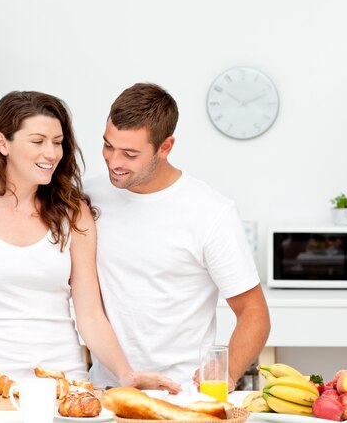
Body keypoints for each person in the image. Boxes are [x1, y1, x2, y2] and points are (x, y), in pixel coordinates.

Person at [0, 90, 180, 391]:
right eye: (37, 141)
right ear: (2, 143)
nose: (51, 153)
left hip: (63, 382)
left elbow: (90, 316)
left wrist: (127, 376)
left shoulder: (74, 214)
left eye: (58, 143)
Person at [84, 83, 271, 390]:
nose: (114, 162)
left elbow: (254, 312)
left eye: (130, 154)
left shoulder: (211, 213)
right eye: (108, 146)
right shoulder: (88, 197)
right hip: (107, 390)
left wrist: (226, 375)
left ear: (165, 147)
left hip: (182, 393)